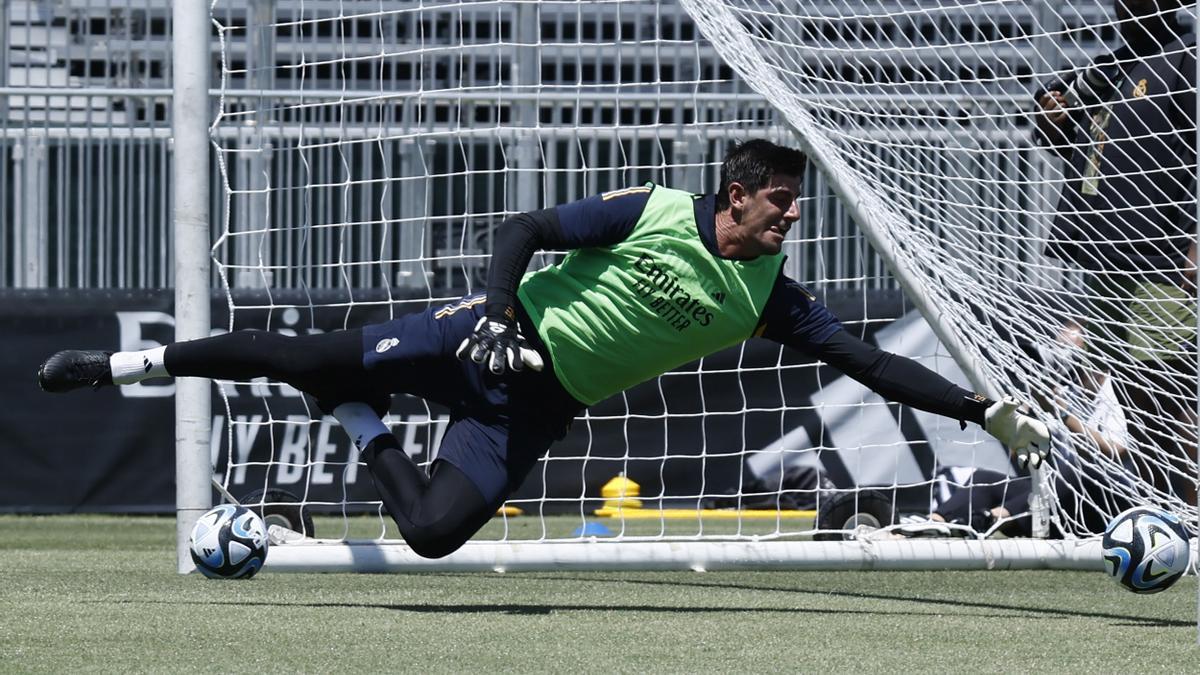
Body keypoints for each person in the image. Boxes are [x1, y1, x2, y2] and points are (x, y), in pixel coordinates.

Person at [37, 140, 1050, 558]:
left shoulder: (768, 297)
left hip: (536, 406)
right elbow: (521, 230)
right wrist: (494, 315)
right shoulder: (655, 210)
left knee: (433, 536)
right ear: (737, 195)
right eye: (783, 203)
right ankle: (118, 367)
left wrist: (982, 410)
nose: (792, 219)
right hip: (477, 344)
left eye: (796, 207)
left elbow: (871, 365)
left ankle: (355, 420)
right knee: (293, 353)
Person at [1034, 0, 1197, 502]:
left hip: (1159, 253)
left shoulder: (1187, 55)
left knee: (1170, 388)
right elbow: (1069, 147)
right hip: (1104, 252)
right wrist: (1053, 115)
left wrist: (1194, 238)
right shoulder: (1109, 64)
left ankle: (1189, 507)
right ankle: (1157, 509)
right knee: (1126, 393)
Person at [908, 319, 1135, 538]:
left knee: (1080, 472)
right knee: (985, 480)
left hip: (1108, 506)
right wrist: (1027, 414)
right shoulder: (1065, 392)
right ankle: (931, 524)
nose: (1061, 355)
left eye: (1068, 347)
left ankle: (990, 520)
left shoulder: (1117, 390)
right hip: (1062, 502)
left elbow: (1115, 452)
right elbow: (1020, 456)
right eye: (1058, 347)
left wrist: (1062, 412)